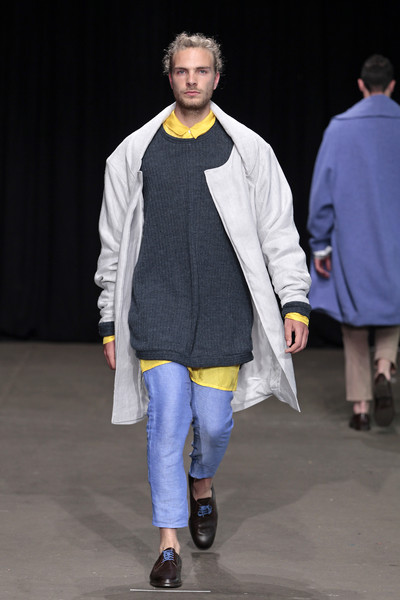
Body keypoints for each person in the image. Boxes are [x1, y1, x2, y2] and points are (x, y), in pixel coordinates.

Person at [95, 32, 311, 588]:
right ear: (170, 77)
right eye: (182, 71)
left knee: (213, 424)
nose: (192, 80)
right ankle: (168, 544)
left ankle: (202, 481)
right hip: (157, 303)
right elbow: (114, 242)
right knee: (167, 418)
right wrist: (109, 318)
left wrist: (294, 300)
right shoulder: (134, 152)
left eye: (202, 71)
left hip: (222, 307)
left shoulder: (249, 151)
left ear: (217, 78)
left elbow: (278, 230)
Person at [307, 54, 400, 432]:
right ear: (392, 85)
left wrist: (320, 244)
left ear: (361, 85)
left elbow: (322, 193)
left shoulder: (340, 128)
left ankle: (361, 408)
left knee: (354, 319)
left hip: (353, 239)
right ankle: (385, 367)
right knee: (394, 308)